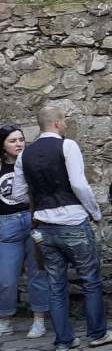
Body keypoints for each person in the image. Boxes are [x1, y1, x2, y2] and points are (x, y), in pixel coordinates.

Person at [11, 106, 112, 351]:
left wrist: (40, 199)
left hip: (43, 225)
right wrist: (95, 212)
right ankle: (97, 333)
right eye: (65, 120)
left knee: (56, 284)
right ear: (58, 123)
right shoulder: (67, 146)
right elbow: (79, 185)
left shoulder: (24, 155)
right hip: (73, 221)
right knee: (90, 280)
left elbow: (17, 194)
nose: (66, 124)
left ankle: (63, 340)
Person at [0, 125, 49, 338]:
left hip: (33, 221)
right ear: (2, 145)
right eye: (12, 141)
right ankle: (5, 319)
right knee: (6, 278)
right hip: (6, 224)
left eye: (21, 139)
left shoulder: (31, 162)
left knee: (38, 273)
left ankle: (39, 320)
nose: (19, 144)